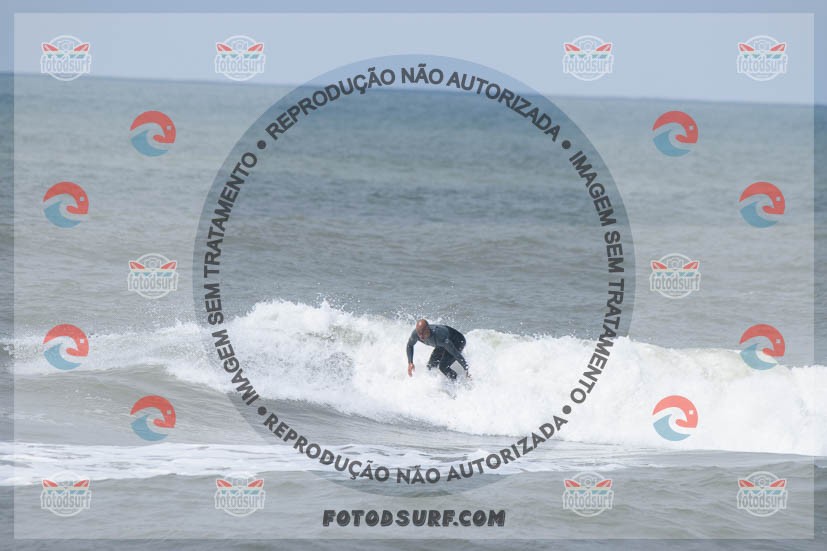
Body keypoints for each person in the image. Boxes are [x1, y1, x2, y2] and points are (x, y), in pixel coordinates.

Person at [406, 319, 470, 381]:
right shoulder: (415, 334)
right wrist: (410, 362)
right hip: (441, 344)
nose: (421, 337)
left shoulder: (440, 337)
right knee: (430, 367)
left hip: (457, 340)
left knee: (443, 367)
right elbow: (409, 345)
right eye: (419, 333)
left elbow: (455, 354)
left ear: (428, 329)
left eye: (423, 333)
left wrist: (466, 369)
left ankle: (457, 382)